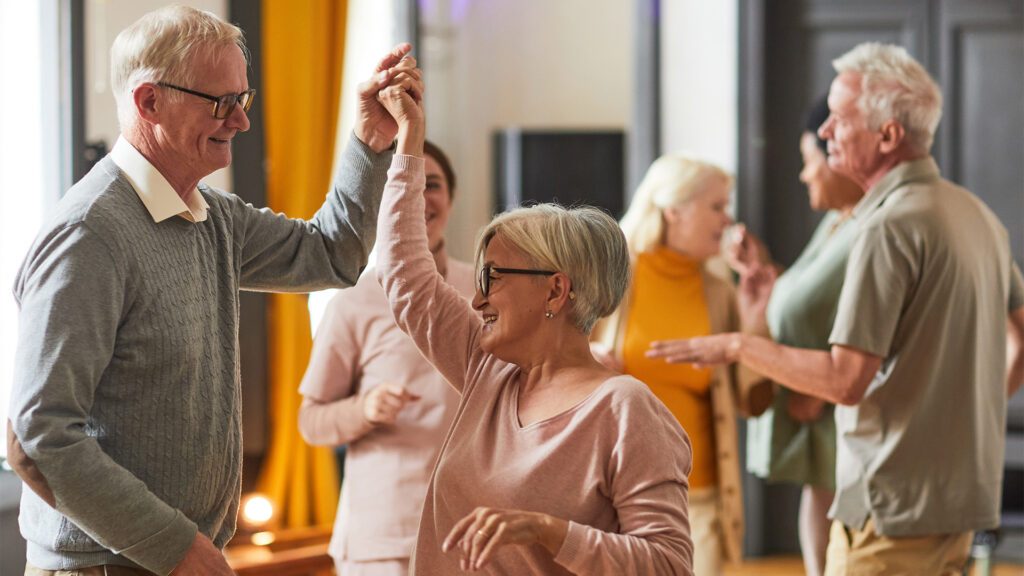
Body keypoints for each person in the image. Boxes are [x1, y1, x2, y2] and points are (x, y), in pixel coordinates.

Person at [5, 6, 419, 575]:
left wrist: (370, 139)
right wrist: (173, 545)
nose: (241, 122)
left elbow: (332, 254)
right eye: (221, 103)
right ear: (150, 101)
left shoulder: (214, 218)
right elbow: (38, 438)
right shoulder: (89, 235)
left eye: (242, 100)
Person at [648, 42, 1024, 575]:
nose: (824, 134)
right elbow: (1021, 340)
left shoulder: (885, 227)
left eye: (839, 121)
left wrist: (738, 345)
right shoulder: (975, 213)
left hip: (889, 514)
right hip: (963, 504)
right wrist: (969, 417)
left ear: (888, 135)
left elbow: (845, 380)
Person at [371, 70, 694, 574]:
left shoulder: (625, 409)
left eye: (493, 277)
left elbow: (669, 564)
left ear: (556, 289)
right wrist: (408, 143)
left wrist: (550, 532)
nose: (476, 300)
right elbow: (404, 273)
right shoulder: (487, 370)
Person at [297, 140, 474, 576]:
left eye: (431, 184)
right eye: (404, 185)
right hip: (385, 538)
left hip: (475, 532)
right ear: (384, 200)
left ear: (450, 198)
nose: (419, 197)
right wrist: (365, 409)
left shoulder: (486, 291)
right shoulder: (354, 299)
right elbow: (311, 420)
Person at [591, 154, 767, 575]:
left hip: (699, 499)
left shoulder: (720, 291)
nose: (728, 220)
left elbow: (755, 401)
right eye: (717, 206)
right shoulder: (609, 278)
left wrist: (756, 318)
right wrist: (590, 361)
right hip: (616, 494)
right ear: (673, 210)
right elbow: (553, 366)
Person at [730, 95, 864, 576]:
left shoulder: (871, 229)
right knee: (819, 499)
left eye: (810, 161)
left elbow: (880, 323)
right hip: (815, 397)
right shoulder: (836, 221)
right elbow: (808, 295)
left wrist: (825, 395)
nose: (805, 175)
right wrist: (765, 274)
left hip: (838, 399)